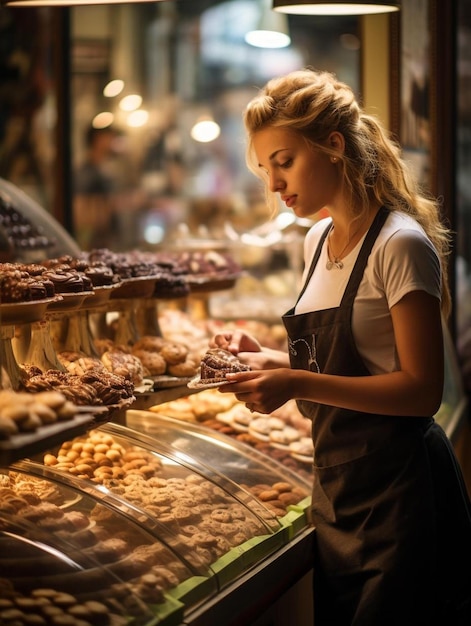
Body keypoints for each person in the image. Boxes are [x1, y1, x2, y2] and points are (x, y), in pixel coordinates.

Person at [210, 68, 471, 625]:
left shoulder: (400, 244)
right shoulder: (317, 239)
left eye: (284, 161)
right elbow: (350, 363)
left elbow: (422, 391)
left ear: (333, 147)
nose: (275, 184)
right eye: (265, 169)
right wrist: (271, 360)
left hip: (400, 495)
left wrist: (298, 381)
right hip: (336, 493)